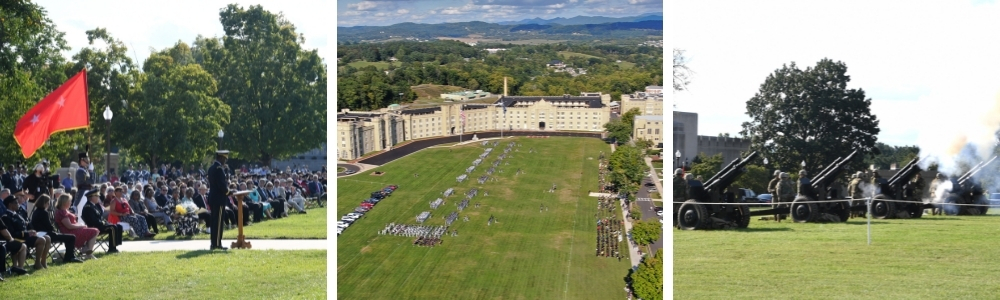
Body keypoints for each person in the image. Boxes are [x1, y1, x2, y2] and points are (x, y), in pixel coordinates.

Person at [29, 194, 84, 263]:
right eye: (48, 203)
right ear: (45, 203)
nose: (49, 204)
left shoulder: (36, 212)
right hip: (46, 234)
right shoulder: (44, 213)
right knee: (71, 237)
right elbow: (48, 226)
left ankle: (69, 256)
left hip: (40, 233)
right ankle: (70, 257)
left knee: (68, 237)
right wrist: (54, 231)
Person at [3, 196, 51, 269]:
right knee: (42, 240)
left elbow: (27, 224)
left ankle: (43, 261)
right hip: (18, 239)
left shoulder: (18, 214)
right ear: (10, 205)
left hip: (26, 236)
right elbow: (12, 233)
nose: (18, 204)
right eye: (16, 203)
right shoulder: (6, 217)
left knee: (47, 238)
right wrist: (27, 233)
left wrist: (32, 230)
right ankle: (37, 263)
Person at [54, 194, 99, 260]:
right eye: (69, 201)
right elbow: (69, 226)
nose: (70, 203)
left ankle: (86, 249)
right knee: (95, 231)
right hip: (69, 232)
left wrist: (81, 226)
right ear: (64, 202)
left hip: (73, 230)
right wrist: (81, 225)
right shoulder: (62, 212)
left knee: (93, 230)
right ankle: (87, 251)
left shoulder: (65, 210)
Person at [208, 150, 232, 250]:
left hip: (213, 198)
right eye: (225, 159)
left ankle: (214, 243)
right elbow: (221, 185)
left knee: (214, 222)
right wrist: (228, 192)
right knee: (218, 223)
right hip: (218, 198)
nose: (225, 161)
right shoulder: (219, 169)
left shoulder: (211, 168)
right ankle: (217, 244)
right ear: (221, 158)